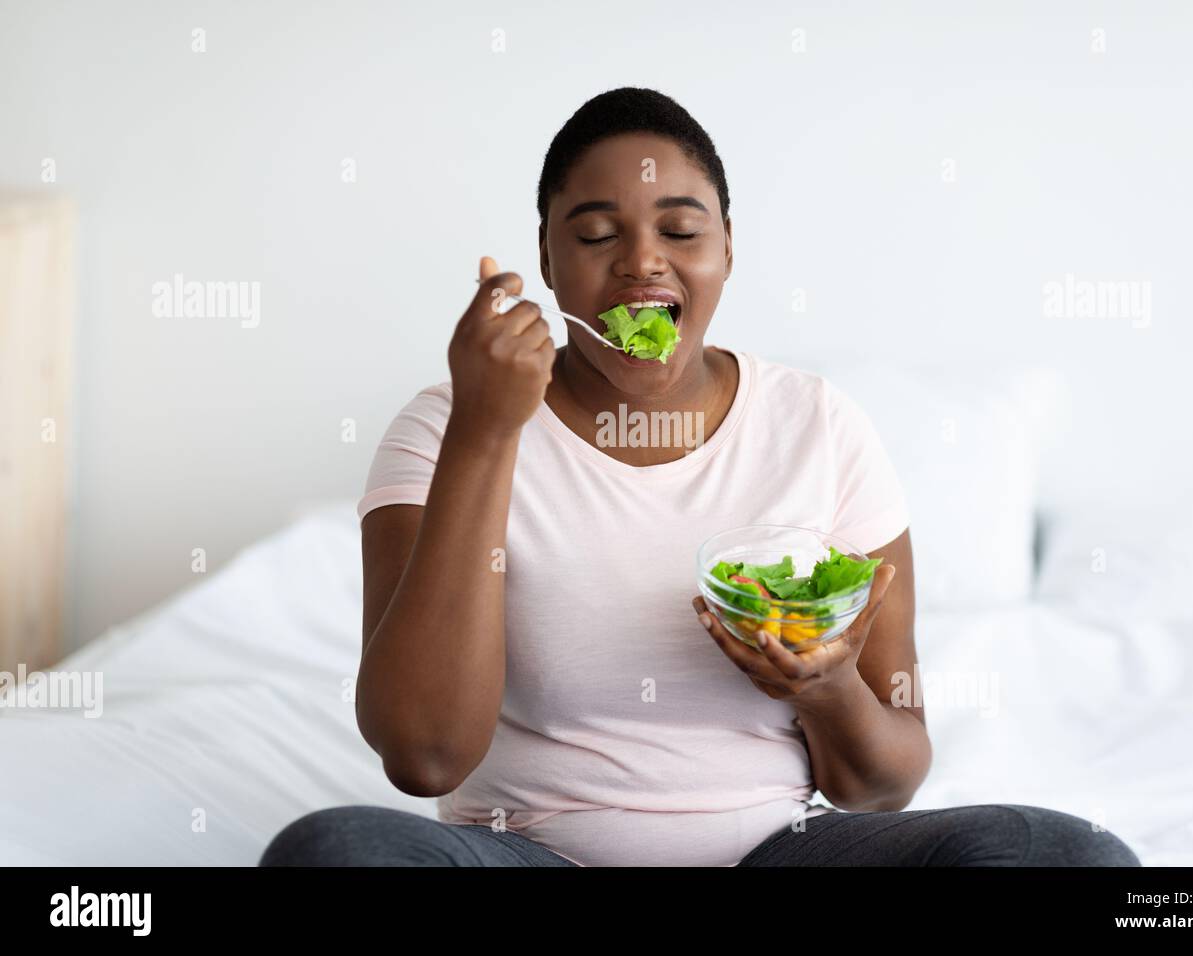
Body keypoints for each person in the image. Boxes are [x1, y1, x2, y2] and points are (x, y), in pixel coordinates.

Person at [260, 87, 1140, 868]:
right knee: (333, 852)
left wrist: (825, 689)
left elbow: (886, 785)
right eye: (598, 234)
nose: (643, 262)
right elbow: (425, 759)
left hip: (776, 854)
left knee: (1069, 856)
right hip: (526, 852)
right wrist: (489, 431)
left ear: (725, 248)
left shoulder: (819, 425)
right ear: (548, 256)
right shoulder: (445, 425)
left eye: (681, 230)